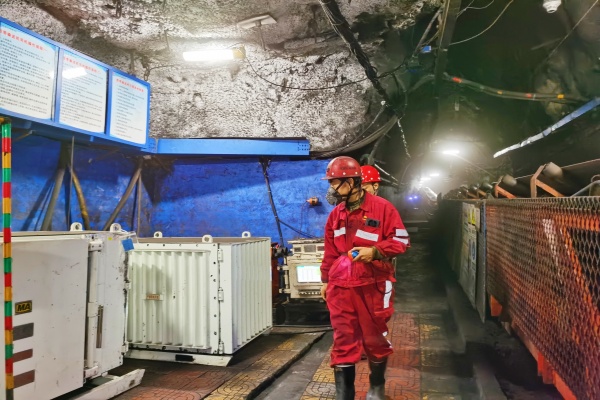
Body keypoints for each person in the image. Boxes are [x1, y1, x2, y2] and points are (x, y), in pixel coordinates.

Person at [320, 156, 410, 400]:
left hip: (373, 284)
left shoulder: (382, 209)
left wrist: (376, 252)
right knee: (343, 339)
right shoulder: (335, 215)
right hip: (341, 286)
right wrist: (326, 280)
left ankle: (376, 387)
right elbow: (330, 251)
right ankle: (344, 395)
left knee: (374, 338)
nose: (331, 188)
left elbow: (401, 241)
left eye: (335, 182)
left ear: (351, 182)